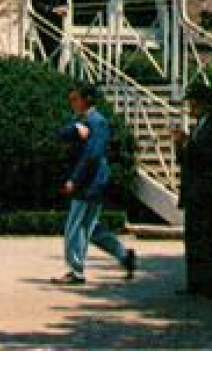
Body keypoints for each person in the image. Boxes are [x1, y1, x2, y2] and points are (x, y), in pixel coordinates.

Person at [53, 83, 136, 285]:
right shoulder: (81, 120)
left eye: (75, 99)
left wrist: (74, 179)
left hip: (90, 182)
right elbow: (61, 133)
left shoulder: (97, 122)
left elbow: (92, 155)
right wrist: (74, 128)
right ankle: (123, 255)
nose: (72, 103)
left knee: (75, 226)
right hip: (92, 182)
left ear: (85, 100)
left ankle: (75, 270)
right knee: (91, 228)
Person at [173, 82, 212, 297]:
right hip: (194, 191)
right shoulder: (198, 125)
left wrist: (188, 143)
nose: (190, 106)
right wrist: (180, 145)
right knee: (194, 238)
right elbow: (187, 160)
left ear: (202, 103)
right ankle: (195, 282)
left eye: (193, 102)